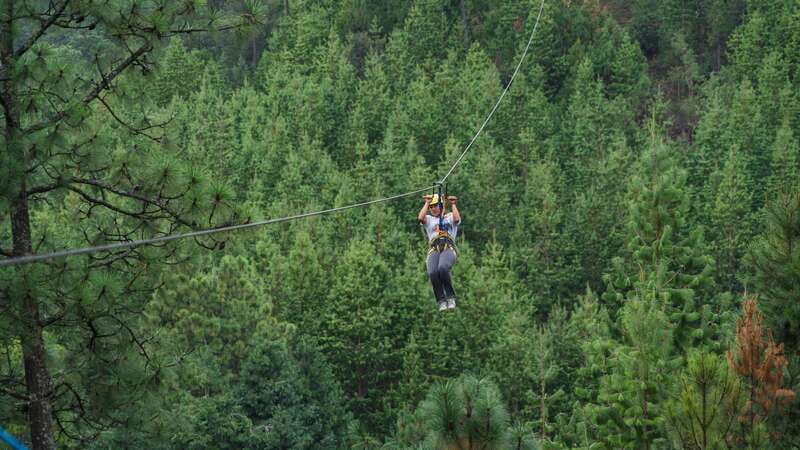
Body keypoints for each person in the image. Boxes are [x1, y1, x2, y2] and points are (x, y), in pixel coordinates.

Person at [418, 193, 461, 311]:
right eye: (431, 207)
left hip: (448, 247)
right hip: (434, 249)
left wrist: (453, 204)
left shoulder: (450, 216)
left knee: (442, 268)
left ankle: (450, 297)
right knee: (432, 272)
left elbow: (457, 219)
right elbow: (420, 218)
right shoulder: (430, 219)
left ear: (441, 205)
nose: (433, 209)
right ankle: (441, 300)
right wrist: (427, 202)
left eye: (435, 206)